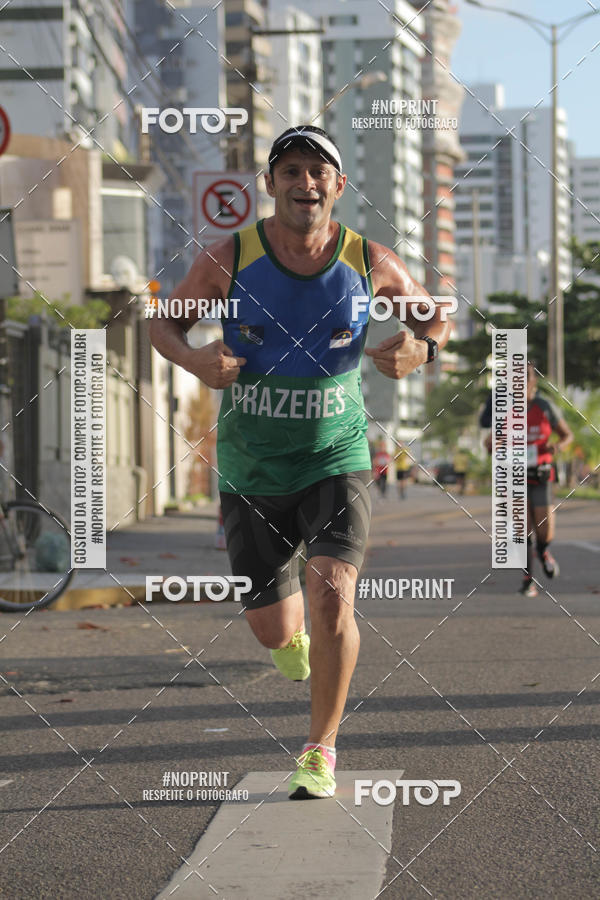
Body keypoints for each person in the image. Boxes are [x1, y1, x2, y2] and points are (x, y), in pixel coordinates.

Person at [149, 125, 451, 799]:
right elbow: (162, 323)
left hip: (336, 454)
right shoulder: (228, 258)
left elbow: (435, 319)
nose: (305, 183)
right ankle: (292, 645)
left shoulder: (371, 261)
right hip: (252, 466)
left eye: (318, 172)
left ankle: (321, 750)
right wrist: (195, 359)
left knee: (332, 592)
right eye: (290, 171)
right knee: (273, 629)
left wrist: (422, 348)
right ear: (271, 184)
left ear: (338, 186)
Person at [480, 363, 572, 597]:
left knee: (545, 532)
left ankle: (543, 551)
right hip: (515, 476)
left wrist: (556, 446)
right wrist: (492, 445)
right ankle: (528, 580)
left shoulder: (544, 407)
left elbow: (567, 435)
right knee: (523, 530)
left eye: (525, 377)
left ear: (533, 381)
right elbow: (491, 441)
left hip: (541, 474)